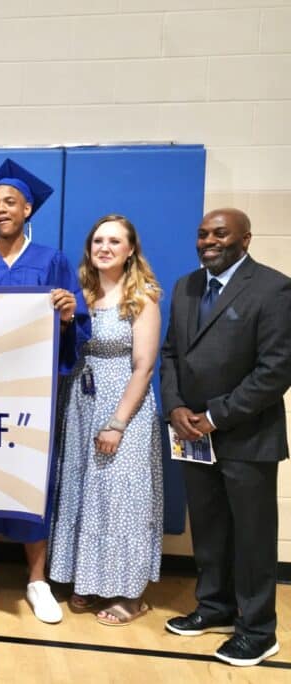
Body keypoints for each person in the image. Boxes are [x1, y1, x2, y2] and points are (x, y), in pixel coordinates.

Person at [0, 158, 91, 624]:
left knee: (32, 477)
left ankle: (36, 579)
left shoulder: (52, 260)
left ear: (28, 209)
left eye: (10, 202)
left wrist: (68, 315)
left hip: (31, 395)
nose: (1, 209)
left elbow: (74, 327)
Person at [160, 208, 291, 667]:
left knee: (253, 536)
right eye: (202, 234)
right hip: (191, 433)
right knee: (210, 529)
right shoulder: (185, 286)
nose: (208, 241)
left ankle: (257, 631)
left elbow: (275, 371)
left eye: (220, 233)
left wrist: (216, 416)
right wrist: (175, 408)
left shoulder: (274, 288)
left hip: (246, 436)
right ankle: (214, 608)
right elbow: (171, 353)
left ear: (246, 239)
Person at [47, 214, 163, 626]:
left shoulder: (142, 297)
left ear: (131, 249)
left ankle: (128, 595)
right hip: (80, 397)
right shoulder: (79, 294)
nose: (105, 248)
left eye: (115, 241)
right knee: (82, 489)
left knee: (120, 498)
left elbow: (144, 367)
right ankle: (87, 579)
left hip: (122, 402)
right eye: (98, 240)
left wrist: (117, 423)